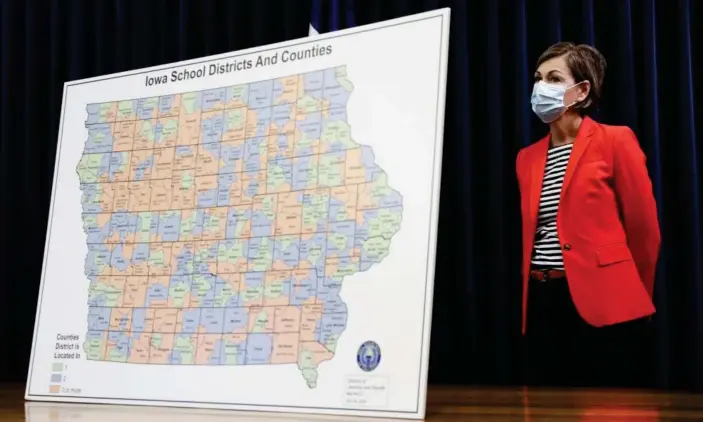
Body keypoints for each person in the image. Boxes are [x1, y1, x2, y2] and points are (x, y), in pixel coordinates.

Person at [516, 42, 661, 388]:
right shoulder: (527, 157)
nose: (541, 87)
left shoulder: (615, 140)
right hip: (543, 302)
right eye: (538, 78)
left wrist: (632, 298)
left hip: (607, 303)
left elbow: (645, 231)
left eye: (553, 78)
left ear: (581, 90)